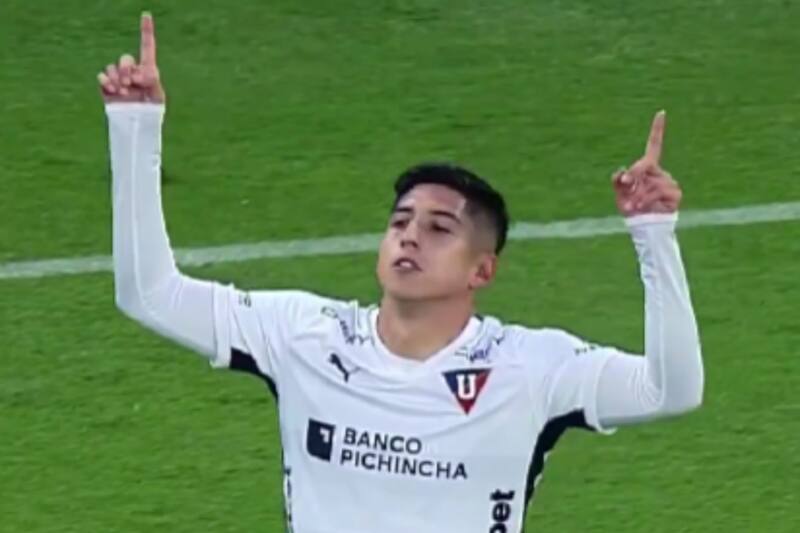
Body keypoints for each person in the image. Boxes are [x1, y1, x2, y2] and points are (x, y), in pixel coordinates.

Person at [98, 13, 704, 533]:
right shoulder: (304, 335)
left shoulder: (533, 369)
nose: (410, 235)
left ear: (482, 270)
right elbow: (149, 293)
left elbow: (671, 391)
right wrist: (134, 129)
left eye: (440, 228)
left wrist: (654, 236)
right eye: (400, 222)